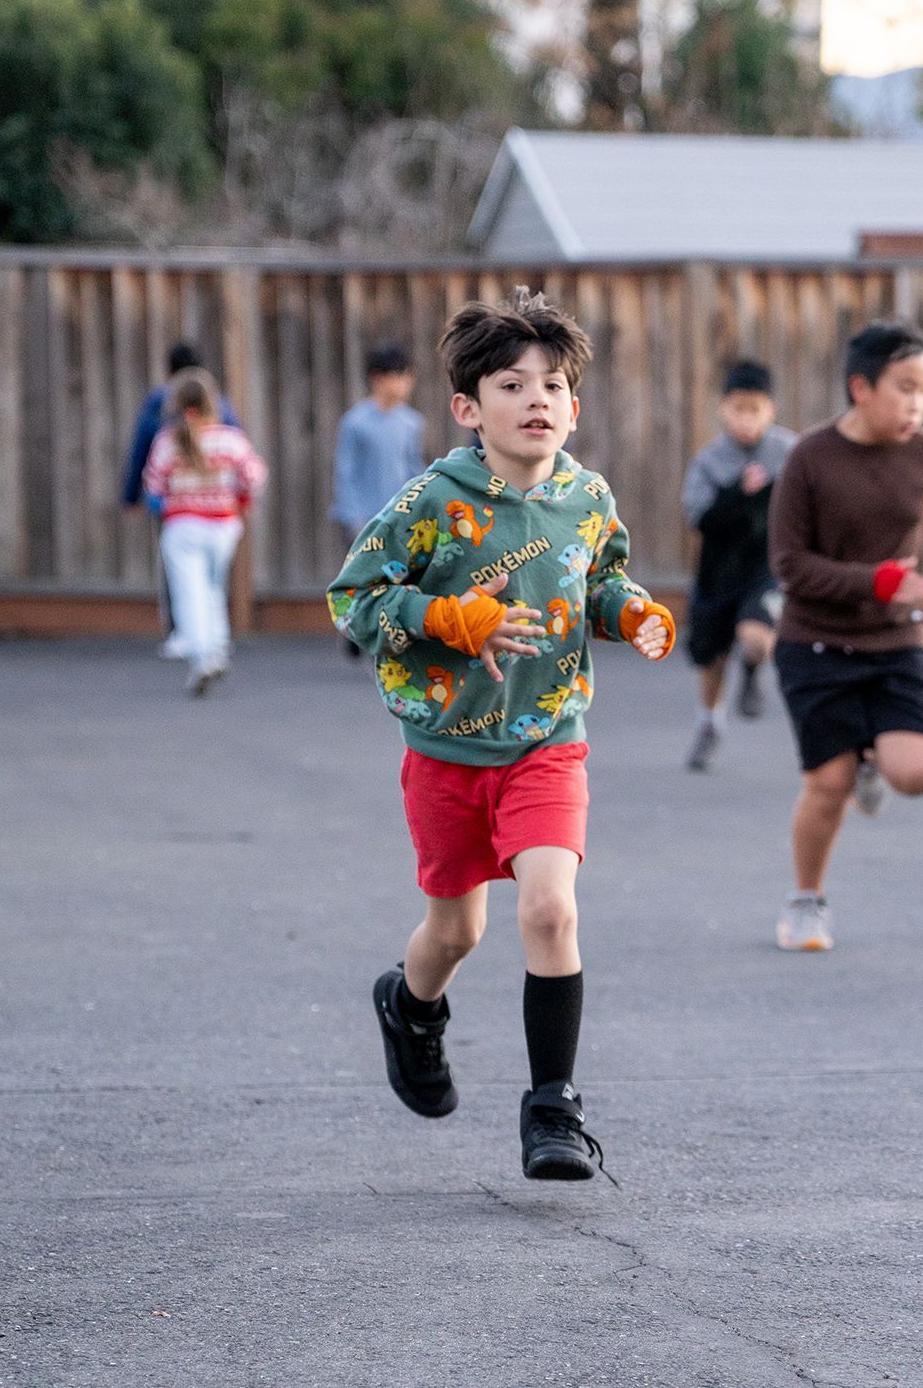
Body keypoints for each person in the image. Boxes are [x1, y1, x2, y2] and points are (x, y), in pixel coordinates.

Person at [326, 288, 675, 1183]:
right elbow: (355, 600)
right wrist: (452, 617)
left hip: (547, 741)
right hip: (446, 751)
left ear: (574, 405)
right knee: (455, 933)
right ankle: (410, 1009)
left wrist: (629, 611)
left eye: (553, 385)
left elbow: (598, 580)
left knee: (550, 909)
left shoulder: (587, 497)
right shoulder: (431, 502)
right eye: (512, 385)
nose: (536, 401)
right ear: (468, 409)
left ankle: (552, 1109)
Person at [768, 320, 923, 954]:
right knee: (827, 783)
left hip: (898, 641)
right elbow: (789, 565)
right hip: (816, 642)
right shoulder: (809, 458)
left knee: (921, 771)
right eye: (904, 388)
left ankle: (873, 759)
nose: (917, 404)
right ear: (861, 386)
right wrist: (875, 582)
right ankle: (806, 901)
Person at [682, 361, 798, 771]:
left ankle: (752, 670)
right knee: (710, 660)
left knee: (756, 638)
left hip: (766, 570)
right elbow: (698, 516)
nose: (746, 419)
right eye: (738, 409)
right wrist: (736, 493)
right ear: (723, 409)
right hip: (718, 572)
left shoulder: (788, 453)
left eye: (756, 409)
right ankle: (710, 722)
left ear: (771, 410)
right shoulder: (711, 460)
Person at [142, 370, 267, 697]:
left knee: (189, 591)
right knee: (213, 586)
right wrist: (240, 499)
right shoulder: (230, 439)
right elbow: (254, 475)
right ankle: (218, 647)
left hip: (182, 525)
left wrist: (166, 503)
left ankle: (201, 656)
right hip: (223, 525)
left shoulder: (167, 442)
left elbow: (153, 486)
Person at [121, 342, 239, 658]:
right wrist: (239, 497)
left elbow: (143, 452)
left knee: (179, 574)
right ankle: (215, 636)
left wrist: (134, 494)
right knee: (213, 578)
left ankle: (182, 633)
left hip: (178, 506)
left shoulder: (160, 404)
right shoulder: (222, 405)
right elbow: (242, 458)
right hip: (220, 508)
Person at [330, 346, 426, 658]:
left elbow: (414, 467)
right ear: (377, 379)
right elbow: (346, 472)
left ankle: (389, 633)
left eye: (406, 377)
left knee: (400, 575)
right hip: (364, 513)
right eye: (396, 377)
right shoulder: (355, 422)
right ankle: (355, 627)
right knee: (363, 576)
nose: (403, 385)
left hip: (399, 514)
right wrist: (350, 513)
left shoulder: (411, 422)